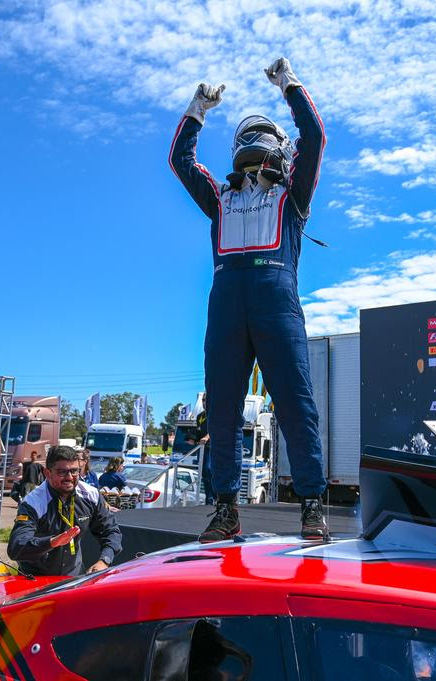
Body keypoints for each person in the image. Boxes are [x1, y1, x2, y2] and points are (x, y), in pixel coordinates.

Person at [169, 57, 329, 542]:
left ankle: (312, 505)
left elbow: (315, 137)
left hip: (276, 302)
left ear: (278, 146)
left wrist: (289, 84)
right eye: (250, 135)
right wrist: (198, 108)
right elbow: (180, 160)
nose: (256, 144)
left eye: (264, 135)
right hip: (226, 303)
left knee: (296, 404)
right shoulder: (220, 197)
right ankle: (225, 509)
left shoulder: (292, 196)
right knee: (221, 407)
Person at [7, 446, 121, 576]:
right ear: (47, 473)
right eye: (62, 472)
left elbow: (111, 531)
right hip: (36, 579)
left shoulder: (91, 495)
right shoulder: (33, 502)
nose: (69, 477)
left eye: (74, 471)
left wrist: (104, 560)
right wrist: (51, 542)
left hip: (73, 577)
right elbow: (16, 547)